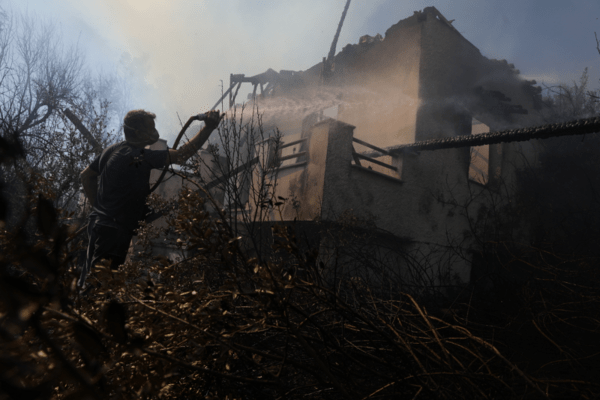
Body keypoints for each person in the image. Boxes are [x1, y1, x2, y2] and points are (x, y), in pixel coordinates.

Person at [78, 109, 222, 287]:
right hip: (114, 232)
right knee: (101, 284)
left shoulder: (113, 149)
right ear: (137, 132)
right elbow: (182, 155)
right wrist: (208, 128)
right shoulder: (137, 156)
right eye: (150, 127)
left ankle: (82, 308)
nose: (155, 131)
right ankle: (89, 311)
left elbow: (86, 176)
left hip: (100, 225)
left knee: (89, 278)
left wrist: (99, 209)